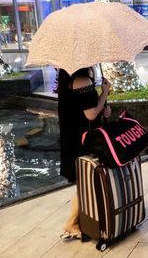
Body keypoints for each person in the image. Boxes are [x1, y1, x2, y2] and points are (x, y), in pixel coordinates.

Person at [57, 67, 111, 239]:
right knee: (87, 181)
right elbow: (91, 114)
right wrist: (105, 92)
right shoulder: (82, 81)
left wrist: (104, 106)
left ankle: (75, 221)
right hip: (81, 141)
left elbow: (86, 108)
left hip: (71, 139)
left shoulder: (69, 80)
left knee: (85, 181)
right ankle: (71, 223)